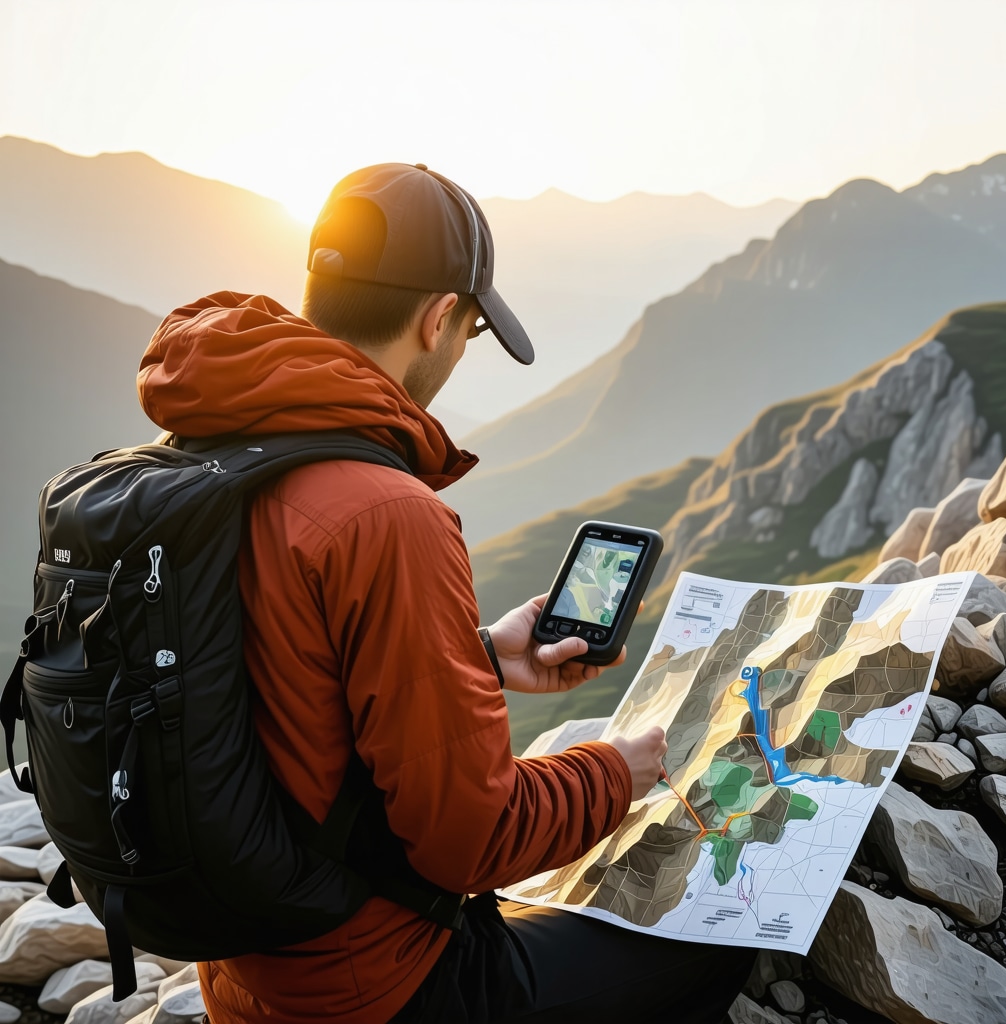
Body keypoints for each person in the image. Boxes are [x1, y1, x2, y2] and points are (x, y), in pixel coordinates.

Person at [137, 163, 755, 1023]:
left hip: (250, 973)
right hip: (381, 991)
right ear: (436, 320)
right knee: (723, 925)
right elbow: (473, 841)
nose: (461, 353)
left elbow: (277, 691)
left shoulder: (203, 447)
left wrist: (476, 657)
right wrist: (617, 771)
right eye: (469, 330)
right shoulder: (386, 512)